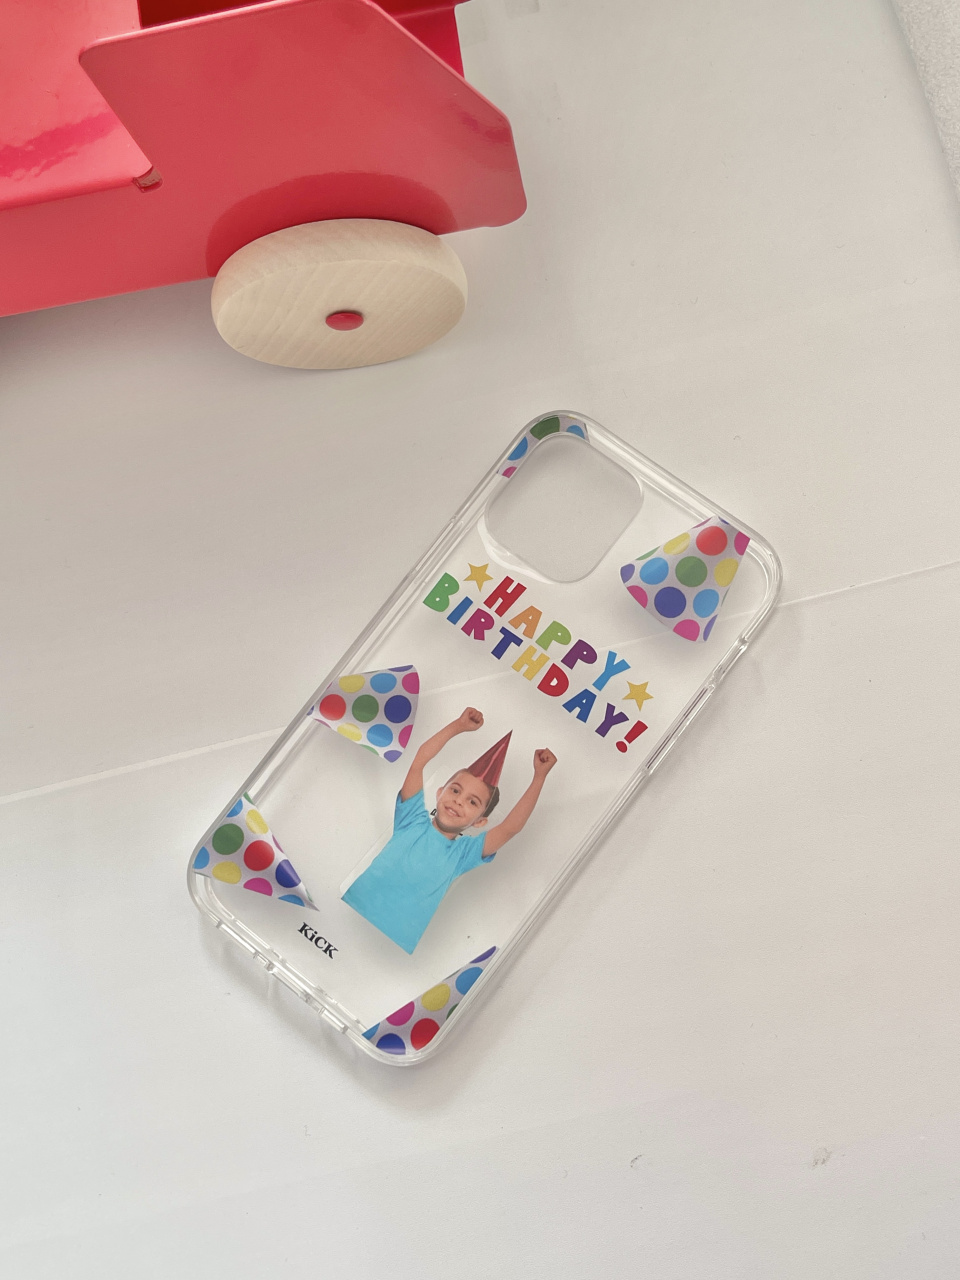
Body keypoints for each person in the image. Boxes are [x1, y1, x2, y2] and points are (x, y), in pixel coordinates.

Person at [342, 707, 557, 953]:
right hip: (350, 912)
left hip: (393, 943)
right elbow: (419, 763)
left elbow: (510, 828)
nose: (458, 801)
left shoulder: (463, 854)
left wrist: (539, 778)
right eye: (455, 790)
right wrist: (458, 726)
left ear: (480, 822)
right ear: (439, 792)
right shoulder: (411, 819)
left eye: (472, 802)